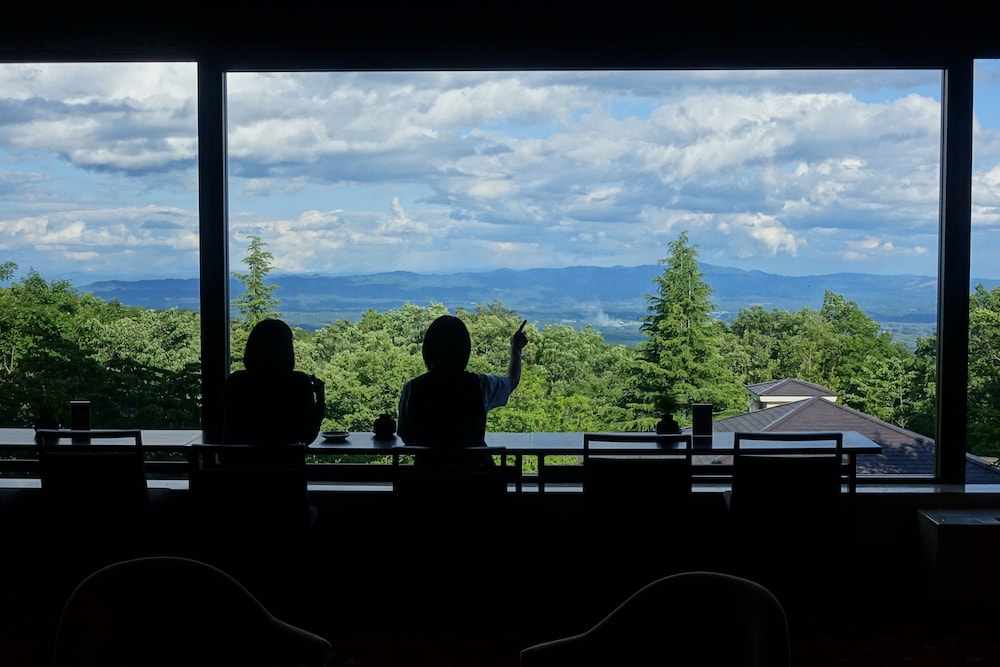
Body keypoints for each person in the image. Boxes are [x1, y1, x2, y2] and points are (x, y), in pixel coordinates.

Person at [396, 315, 528, 462]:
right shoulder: (480, 385)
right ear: (465, 350)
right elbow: (512, 381)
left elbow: (405, 434)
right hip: (476, 480)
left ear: (428, 350)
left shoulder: (412, 388)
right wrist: (516, 349)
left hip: (428, 480)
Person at [223, 318, 325, 445]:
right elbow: (307, 436)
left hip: (241, 463)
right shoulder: (297, 383)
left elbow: (228, 431)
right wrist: (320, 400)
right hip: (284, 463)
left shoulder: (236, 383)